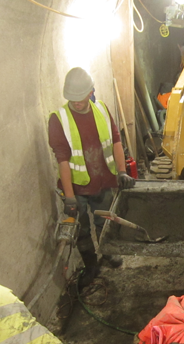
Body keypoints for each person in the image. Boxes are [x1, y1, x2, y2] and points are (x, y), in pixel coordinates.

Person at [49, 67, 135, 288]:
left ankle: (108, 253)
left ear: (91, 92)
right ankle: (91, 266)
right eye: (72, 99)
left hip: (102, 182)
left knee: (105, 221)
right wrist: (69, 198)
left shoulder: (102, 110)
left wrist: (122, 170)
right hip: (76, 187)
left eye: (81, 98)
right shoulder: (59, 120)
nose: (77, 103)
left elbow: (116, 141)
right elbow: (63, 160)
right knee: (82, 230)